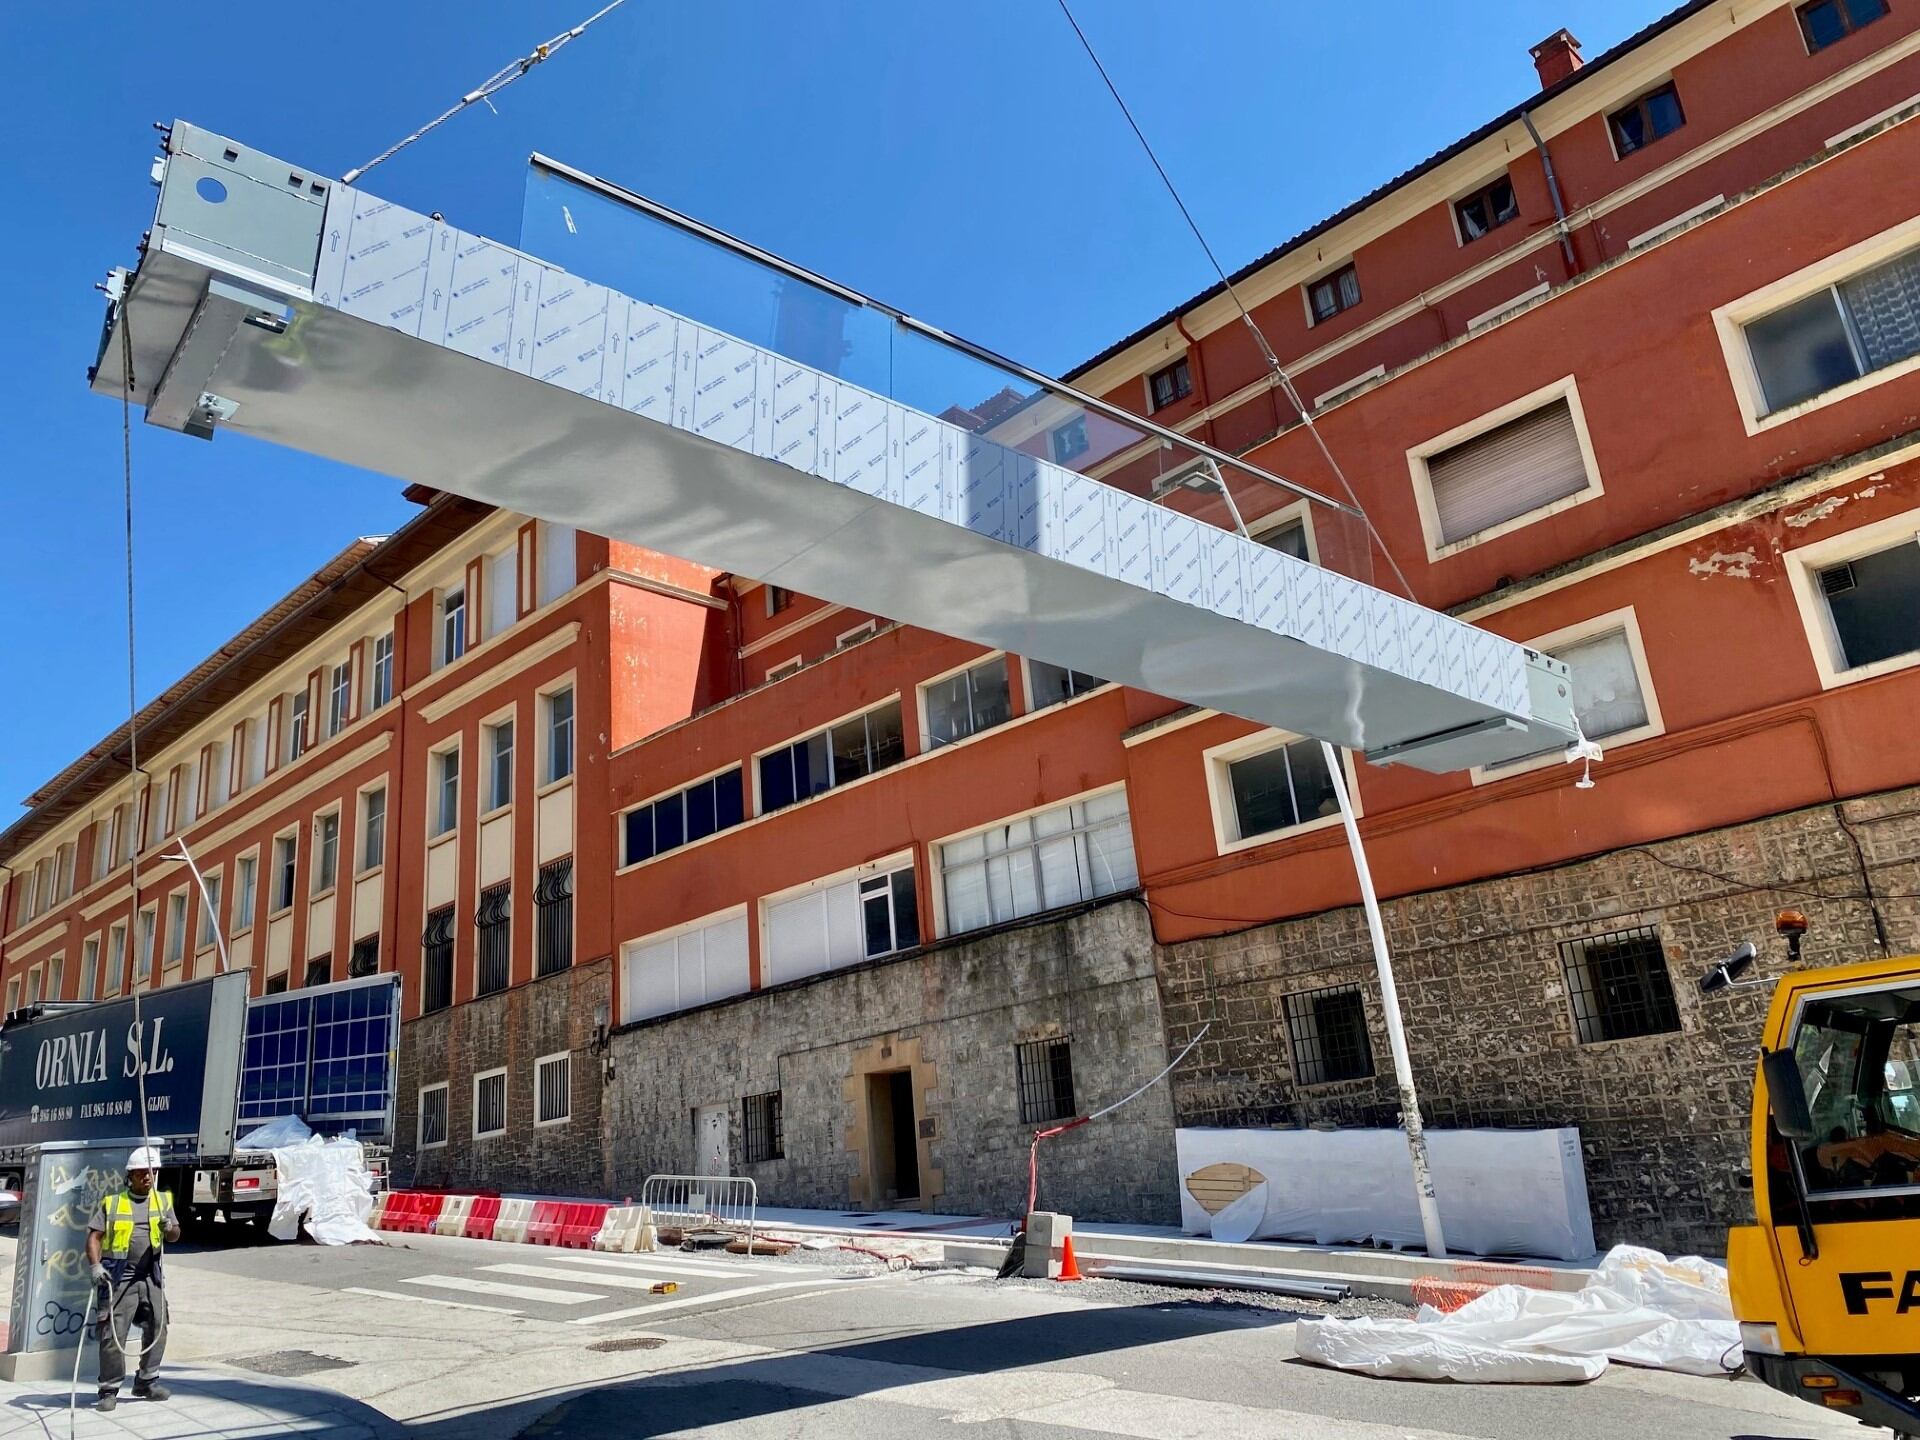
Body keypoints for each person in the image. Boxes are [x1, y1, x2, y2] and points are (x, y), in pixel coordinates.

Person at [85, 1146, 180, 1411]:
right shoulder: (112, 1203)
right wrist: (95, 1266)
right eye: (141, 1174)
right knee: (112, 1334)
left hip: (150, 1277)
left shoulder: (163, 1202)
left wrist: (169, 1228)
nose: (147, 1178)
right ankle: (109, 1389)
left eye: (151, 1173)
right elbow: (93, 1237)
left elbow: (175, 1235)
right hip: (118, 1279)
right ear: (130, 1176)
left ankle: (146, 1381)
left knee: (159, 1326)